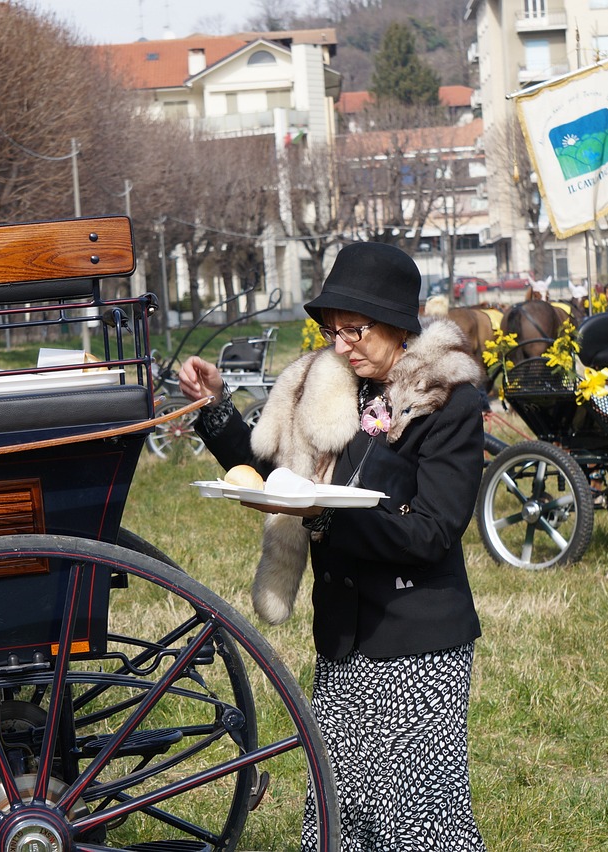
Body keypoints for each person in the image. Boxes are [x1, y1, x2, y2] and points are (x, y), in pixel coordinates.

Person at [178, 241, 487, 851]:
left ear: (398, 327)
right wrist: (215, 411)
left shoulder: (447, 400)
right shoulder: (329, 385)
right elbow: (276, 473)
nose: (339, 344)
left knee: (418, 819)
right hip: (344, 636)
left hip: (415, 641)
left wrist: (327, 515)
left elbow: (432, 531)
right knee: (341, 812)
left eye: (354, 330)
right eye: (330, 329)